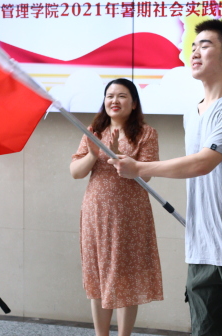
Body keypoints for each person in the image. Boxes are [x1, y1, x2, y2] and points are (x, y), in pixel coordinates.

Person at [109, 19, 222, 336]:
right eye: (192, 46)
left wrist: (140, 168)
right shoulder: (193, 112)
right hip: (202, 247)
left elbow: (202, 163)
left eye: (205, 45)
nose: (195, 52)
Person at [70, 78, 163, 336]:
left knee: (125, 276)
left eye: (122, 96)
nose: (114, 101)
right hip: (96, 212)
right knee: (98, 275)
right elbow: (76, 172)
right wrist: (94, 154)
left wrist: (115, 156)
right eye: (110, 96)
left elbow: (146, 175)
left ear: (133, 103)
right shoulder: (94, 132)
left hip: (130, 214)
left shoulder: (146, 133)